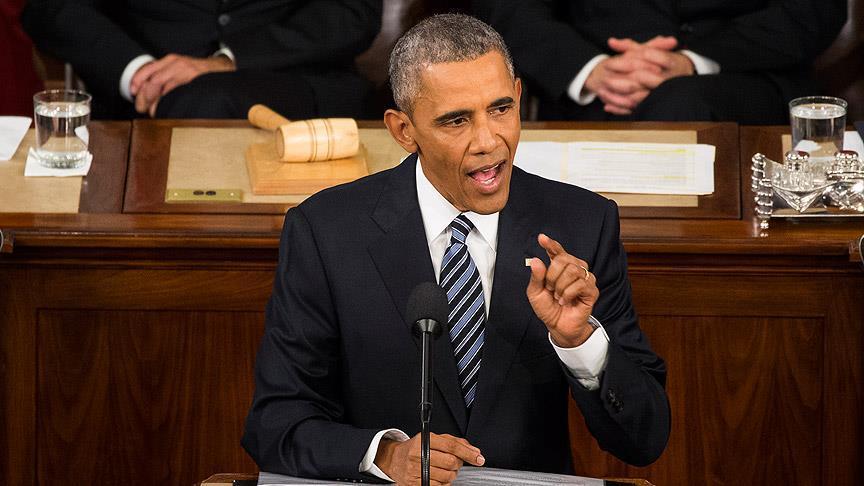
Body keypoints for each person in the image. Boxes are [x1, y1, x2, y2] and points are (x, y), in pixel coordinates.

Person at [242, 14, 670, 484]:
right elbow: (275, 424)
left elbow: (644, 440)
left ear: (519, 97)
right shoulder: (325, 231)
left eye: (501, 109)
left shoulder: (582, 224)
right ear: (403, 130)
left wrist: (580, 342)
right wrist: (383, 456)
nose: (488, 141)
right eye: (456, 120)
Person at [472, 0, 847, 124]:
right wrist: (591, 71)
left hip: (744, 80)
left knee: (682, 106)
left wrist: (691, 61)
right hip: (589, 92)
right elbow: (509, 7)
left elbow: (816, 9)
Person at [21, 1, 382, 119]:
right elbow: (51, 8)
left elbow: (353, 14)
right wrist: (140, 73)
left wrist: (226, 61)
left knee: (208, 100)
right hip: (140, 107)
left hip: (298, 86)